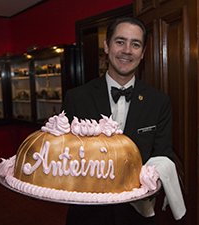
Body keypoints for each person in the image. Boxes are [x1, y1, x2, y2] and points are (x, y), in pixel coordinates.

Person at [61, 17, 175, 225]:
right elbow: (65, 155)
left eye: (136, 44)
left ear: (143, 52)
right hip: (87, 214)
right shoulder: (77, 97)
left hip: (138, 214)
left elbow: (162, 157)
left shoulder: (159, 101)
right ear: (107, 46)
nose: (127, 50)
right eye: (120, 42)